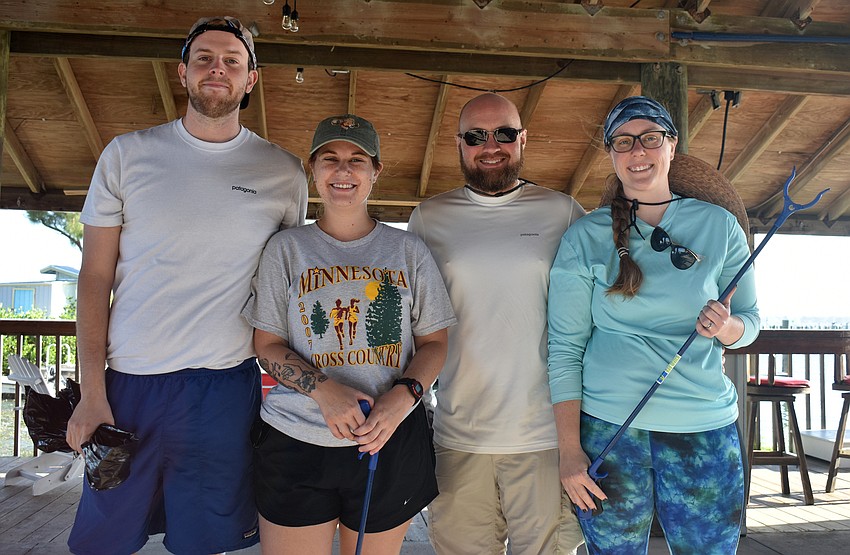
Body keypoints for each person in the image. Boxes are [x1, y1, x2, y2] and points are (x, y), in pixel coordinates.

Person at [65, 16, 308, 555]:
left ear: (252, 80)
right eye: (204, 58)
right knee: (104, 538)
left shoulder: (284, 173)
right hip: (129, 386)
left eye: (231, 60)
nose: (216, 68)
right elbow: (94, 276)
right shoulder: (126, 155)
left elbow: (286, 285)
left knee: (205, 540)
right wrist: (91, 393)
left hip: (224, 387)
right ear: (183, 72)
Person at [547, 96, 760, 554]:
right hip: (608, 428)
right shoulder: (584, 237)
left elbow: (751, 320)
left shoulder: (719, 226)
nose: (637, 151)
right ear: (611, 153)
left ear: (671, 145)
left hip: (703, 426)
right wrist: (569, 451)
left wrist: (725, 329)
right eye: (623, 142)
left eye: (649, 138)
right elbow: (565, 349)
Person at [242, 114, 456, 555]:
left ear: (375, 172)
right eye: (330, 158)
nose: (343, 170)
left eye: (357, 159)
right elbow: (266, 344)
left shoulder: (408, 251)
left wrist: (404, 396)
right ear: (313, 169)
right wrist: (324, 391)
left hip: (389, 439)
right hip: (295, 440)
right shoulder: (286, 249)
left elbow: (434, 343)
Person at [407, 93, 586, 555]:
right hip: (457, 436)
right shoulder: (428, 218)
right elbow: (412, 326)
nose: (492, 145)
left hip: (547, 439)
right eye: (476, 136)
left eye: (505, 133)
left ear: (522, 139)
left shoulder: (563, 213)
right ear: (459, 145)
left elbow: (602, 311)